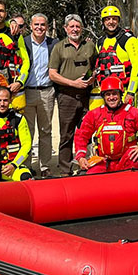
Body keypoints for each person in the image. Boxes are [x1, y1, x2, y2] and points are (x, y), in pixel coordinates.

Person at [74, 77, 138, 174]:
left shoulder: (133, 113)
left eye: (114, 94)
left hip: (127, 161)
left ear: (120, 95)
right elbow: (81, 135)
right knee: (90, 175)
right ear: (103, 96)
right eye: (108, 94)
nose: (111, 98)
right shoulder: (95, 114)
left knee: (136, 158)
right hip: (104, 160)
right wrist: (81, 157)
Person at [48, 14, 95, 175]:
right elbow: (52, 74)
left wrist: (92, 77)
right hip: (66, 96)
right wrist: (73, 83)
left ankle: (86, 165)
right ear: (65, 28)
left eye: (78, 26)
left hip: (86, 96)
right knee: (66, 134)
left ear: (82, 28)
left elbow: (96, 66)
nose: (75, 29)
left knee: (86, 132)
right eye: (72, 26)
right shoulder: (59, 47)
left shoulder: (89, 46)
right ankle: (65, 169)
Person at [22, 13, 59, 177]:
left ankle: (45, 166)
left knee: (45, 130)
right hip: (27, 92)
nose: (39, 28)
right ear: (30, 26)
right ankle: (27, 165)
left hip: (46, 92)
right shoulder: (23, 43)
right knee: (26, 131)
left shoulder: (54, 44)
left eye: (43, 25)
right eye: (36, 24)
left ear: (47, 27)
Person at [91, 5, 138, 110]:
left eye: (114, 19)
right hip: (105, 92)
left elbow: (137, 65)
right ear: (103, 22)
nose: (111, 22)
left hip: (124, 91)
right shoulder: (100, 41)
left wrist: (131, 92)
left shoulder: (128, 39)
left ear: (118, 20)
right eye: (107, 19)